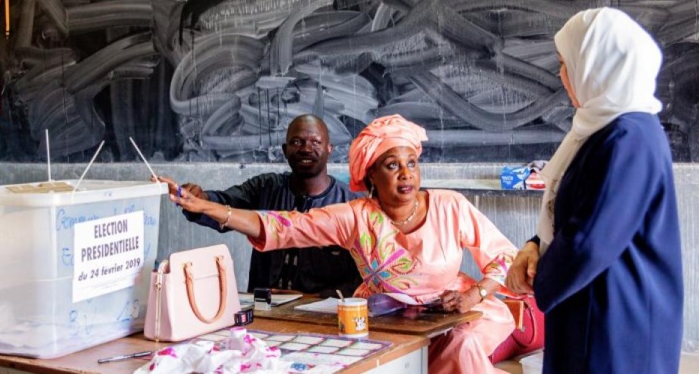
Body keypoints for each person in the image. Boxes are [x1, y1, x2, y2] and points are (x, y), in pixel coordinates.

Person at [166, 114, 519, 374]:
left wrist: (479, 293)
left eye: (411, 163)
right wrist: (208, 207)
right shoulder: (357, 216)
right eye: (392, 165)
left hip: (458, 314)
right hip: (387, 317)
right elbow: (284, 226)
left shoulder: (450, 204)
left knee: (463, 347)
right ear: (370, 176)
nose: (406, 174)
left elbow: (503, 255)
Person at [505, 8, 683, 374]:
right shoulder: (601, 129)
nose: (561, 75)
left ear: (596, 65)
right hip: (596, 313)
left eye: (566, 63)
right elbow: (574, 212)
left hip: (616, 325)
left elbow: (590, 242)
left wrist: (539, 277)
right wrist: (534, 246)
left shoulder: (628, 137)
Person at [157, 114, 363, 297]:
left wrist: (316, 297)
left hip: (324, 315)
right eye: (297, 142)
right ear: (285, 150)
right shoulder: (265, 187)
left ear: (330, 149)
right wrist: (200, 200)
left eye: (316, 142)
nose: (306, 149)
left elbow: (363, 277)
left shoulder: (352, 204)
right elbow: (224, 205)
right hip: (264, 311)